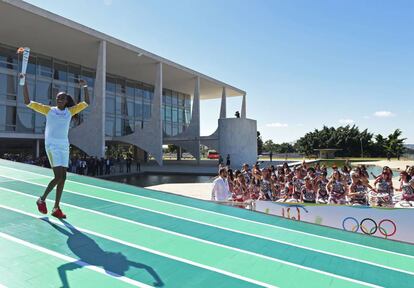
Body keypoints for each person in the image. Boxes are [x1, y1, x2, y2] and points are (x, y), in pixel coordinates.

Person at [23, 76, 90, 219]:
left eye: (62, 99)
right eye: (58, 98)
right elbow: (28, 102)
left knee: (64, 177)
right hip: (52, 146)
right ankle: (41, 199)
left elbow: (86, 103)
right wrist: (23, 83)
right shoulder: (49, 110)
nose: (59, 100)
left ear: (66, 101)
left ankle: (56, 208)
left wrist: (85, 87)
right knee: (58, 176)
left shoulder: (69, 112)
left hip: (64, 146)